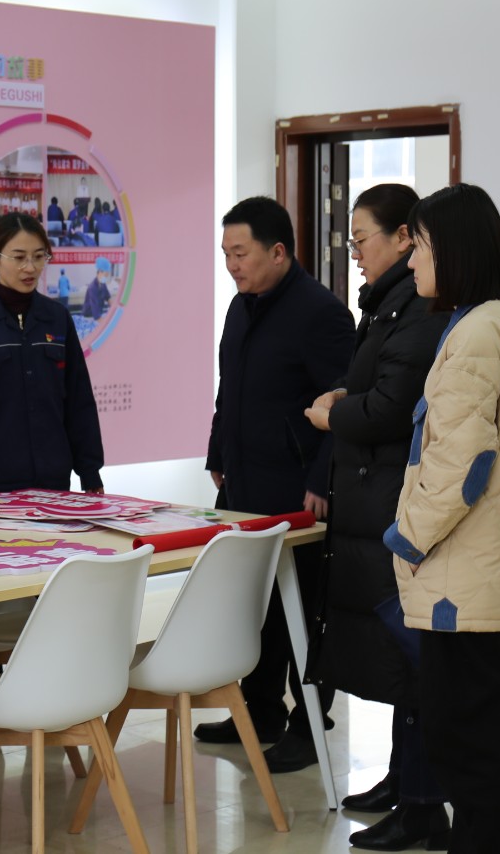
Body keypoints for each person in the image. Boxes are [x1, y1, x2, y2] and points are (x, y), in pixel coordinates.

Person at [383, 184, 500, 854]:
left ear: (454, 251)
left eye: (420, 246)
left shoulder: (475, 335)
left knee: (471, 751)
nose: (411, 261)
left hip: (466, 580)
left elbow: (463, 464)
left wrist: (407, 538)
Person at [303, 184, 450, 850]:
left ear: (404, 238)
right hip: (373, 496)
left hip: (395, 503)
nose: (355, 252)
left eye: (362, 239)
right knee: (396, 657)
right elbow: (378, 389)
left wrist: (336, 414)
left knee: (411, 656)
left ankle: (422, 805)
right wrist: (347, 397)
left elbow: (392, 407)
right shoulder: (386, 303)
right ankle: (402, 781)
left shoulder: (416, 310)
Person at [195, 196, 355, 769]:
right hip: (245, 485)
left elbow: (345, 403)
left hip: (297, 492)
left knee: (305, 615)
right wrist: (218, 451)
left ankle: (308, 726)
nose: (231, 265)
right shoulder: (242, 306)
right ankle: (258, 711)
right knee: (254, 609)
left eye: (241, 253)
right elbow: (230, 388)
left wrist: (322, 477)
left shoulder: (321, 313)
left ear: (279, 251)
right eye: (226, 254)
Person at [0, 213, 104, 496]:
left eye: (39, 256)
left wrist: (90, 472)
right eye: (19, 257)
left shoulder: (57, 318)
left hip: (54, 486)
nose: (30, 267)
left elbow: (79, 401)